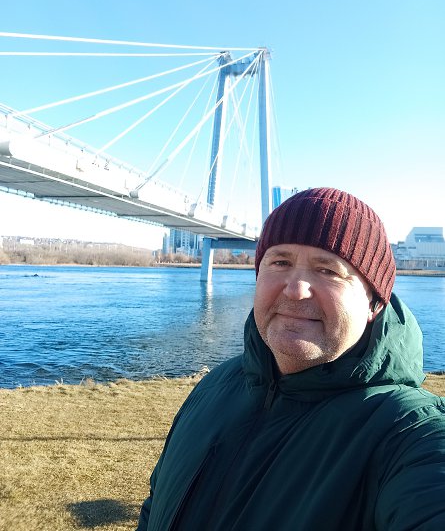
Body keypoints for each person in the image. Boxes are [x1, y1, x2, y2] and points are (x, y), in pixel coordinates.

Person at [137, 187, 445, 531]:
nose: (296, 289)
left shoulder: (407, 433)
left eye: (328, 270)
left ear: (374, 303)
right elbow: (155, 507)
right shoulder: (214, 387)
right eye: (280, 263)